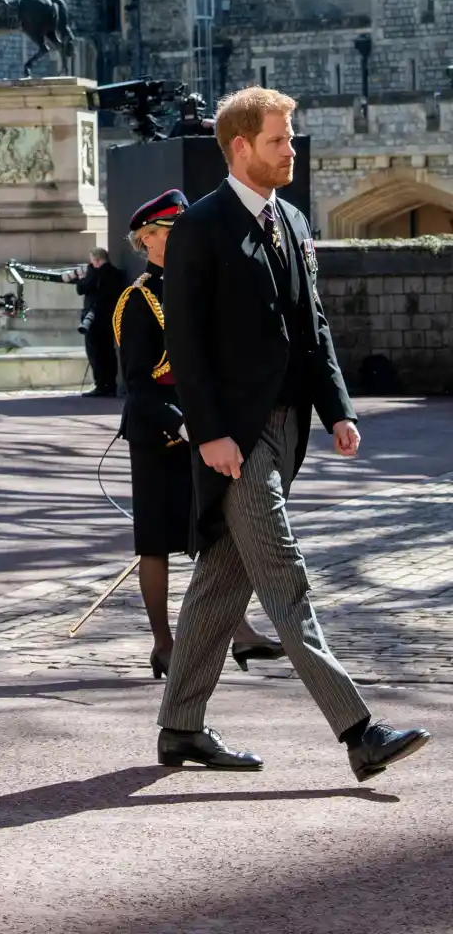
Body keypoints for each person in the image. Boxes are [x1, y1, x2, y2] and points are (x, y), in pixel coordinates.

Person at [157, 86, 430, 781]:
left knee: (221, 586)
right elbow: (185, 345)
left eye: (291, 138)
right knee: (286, 581)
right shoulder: (200, 228)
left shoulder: (294, 220)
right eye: (279, 140)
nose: (291, 151)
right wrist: (212, 434)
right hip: (235, 445)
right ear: (241, 146)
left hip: (289, 432)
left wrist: (338, 409)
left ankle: (180, 729)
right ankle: (359, 732)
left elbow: (315, 329)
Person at [114, 189, 284, 679]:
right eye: (172, 233)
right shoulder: (139, 299)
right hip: (159, 435)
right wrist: (182, 422)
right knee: (156, 541)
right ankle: (164, 644)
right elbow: (139, 386)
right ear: (149, 240)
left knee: (217, 531)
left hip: (204, 430)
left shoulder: (199, 287)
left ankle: (241, 631)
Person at [64, 247, 123, 397]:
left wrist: (84, 276)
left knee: (95, 353)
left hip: (94, 319)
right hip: (109, 318)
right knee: (108, 352)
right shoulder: (115, 273)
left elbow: (81, 289)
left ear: (96, 260)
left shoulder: (96, 274)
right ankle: (110, 385)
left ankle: (101, 385)